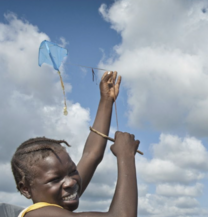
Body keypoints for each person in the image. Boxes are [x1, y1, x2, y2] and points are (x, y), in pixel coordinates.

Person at [11, 71, 140, 217]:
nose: (70, 183)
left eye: (73, 171)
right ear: (26, 189)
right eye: (54, 179)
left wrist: (106, 101)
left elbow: (91, 155)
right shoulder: (39, 214)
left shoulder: (58, 201)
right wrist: (126, 156)